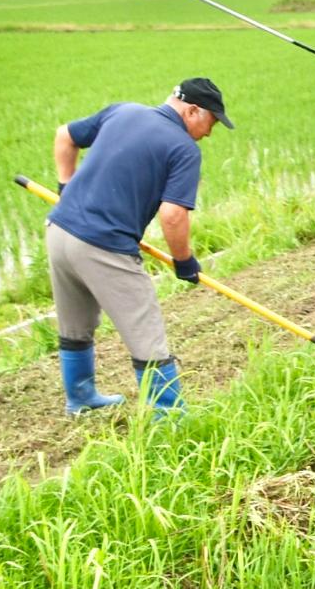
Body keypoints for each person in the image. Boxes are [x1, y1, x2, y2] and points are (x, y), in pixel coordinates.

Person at [46, 78, 234, 416]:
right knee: (145, 331)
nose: (209, 133)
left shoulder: (123, 111)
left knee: (75, 324)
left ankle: (80, 399)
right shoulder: (183, 148)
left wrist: (65, 188)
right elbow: (173, 216)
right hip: (103, 245)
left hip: (59, 231)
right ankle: (169, 418)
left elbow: (65, 136)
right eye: (212, 122)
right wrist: (184, 261)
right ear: (193, 111)